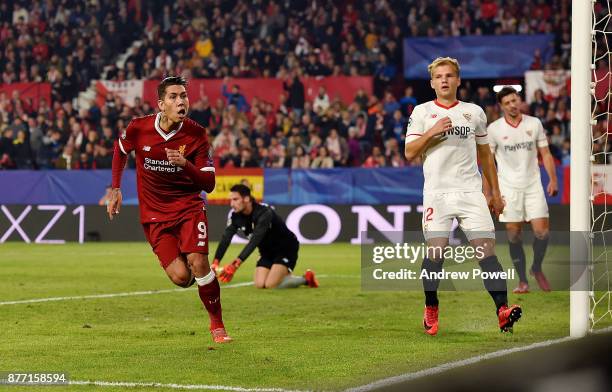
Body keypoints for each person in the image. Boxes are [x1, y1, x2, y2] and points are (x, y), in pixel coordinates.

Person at [107, 76, 232, 343]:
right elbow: (120, 150)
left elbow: (209, 184)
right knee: (180, 277)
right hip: (155, 214)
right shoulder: (139, 128)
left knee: (199, 261)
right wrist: (115, 188)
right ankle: (195, 274)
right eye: (174, 97)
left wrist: (185, 164)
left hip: (188, 208)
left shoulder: (196, 134)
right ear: (161, 104)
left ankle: (217, 326)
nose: (181, 101)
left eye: (184, 96)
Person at [404, 57, 522, 335]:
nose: (444, 80)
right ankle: (431, 305)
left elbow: (485, 155)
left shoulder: (474, 113)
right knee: (436, 253)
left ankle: (502, 311)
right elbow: (409, 152)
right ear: (432, 83)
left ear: (458, 80)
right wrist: (432, 132)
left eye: (449, 75)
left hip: (471, 192)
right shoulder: (422, 112)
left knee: (486, 253)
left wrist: (494, 192)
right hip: (438, 194)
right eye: (439, 76)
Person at [486, 86, 558, 293]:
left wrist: (553, 179)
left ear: (520, 101)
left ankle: (536, 268)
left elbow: (545, 153)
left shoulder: (534, 123)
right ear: (501, 106)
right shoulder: (494, 130)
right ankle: (523, 281)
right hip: (508, 188)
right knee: (514, 235)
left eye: (515, 100)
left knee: (542, 232)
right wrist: (489, 193)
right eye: (507, 102)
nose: (512, 105)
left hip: (533, 185)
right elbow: (488, 164)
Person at [212, 184, 319, 289]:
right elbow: (226, 238)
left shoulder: (264, 213)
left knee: (270, 284)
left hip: (285, 249)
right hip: (266, 252)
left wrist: (235, 264)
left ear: (246, 199)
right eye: (231, 200)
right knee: (260, 285)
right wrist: (215, 263)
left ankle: (306, 279)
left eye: (235, 199)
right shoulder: (236, 216)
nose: (231, 204)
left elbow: (255, 240)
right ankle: (283, 275)